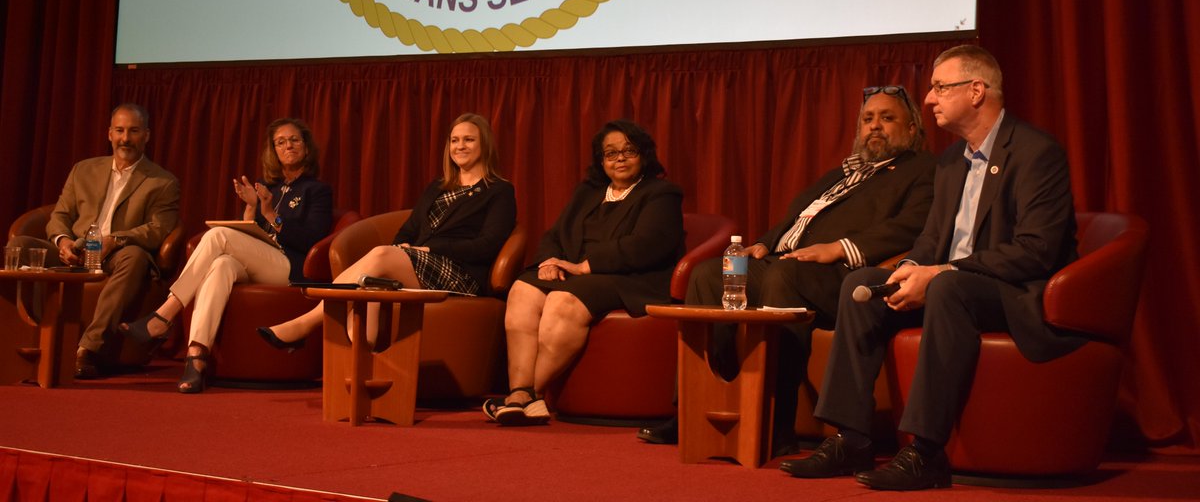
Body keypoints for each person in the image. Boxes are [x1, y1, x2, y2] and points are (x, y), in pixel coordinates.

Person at [781, 45, 1079, 491]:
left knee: (948, 288)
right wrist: (912, 266)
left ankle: (925, 451)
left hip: (1009, 292)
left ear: (976, 91)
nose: (929, 99)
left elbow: (1035, 251)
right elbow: (930, 241)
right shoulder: (950, 161)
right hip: (950, 284)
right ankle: (851, 437)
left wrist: (940, 273)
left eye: (941, 87)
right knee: (864, 283)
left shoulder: (1036, 153)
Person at [639, 85, 936, 451]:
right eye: (868, 119)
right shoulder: (840, 175)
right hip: (789, 261)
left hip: (843, 276)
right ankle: (697, 407)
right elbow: (797, 220)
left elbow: (914, 224)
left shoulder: (922, 169)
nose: (874, 126)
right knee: (709, 274)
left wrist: (838, 248)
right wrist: (765, 243)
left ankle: (777, 421)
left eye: (887, 118)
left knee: (784, 275)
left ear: (911, 130)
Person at [258, 113, 516, 350]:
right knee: (369, 289)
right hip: (421, 264)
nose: (460, 146)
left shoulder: (498, 191)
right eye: (454, 140)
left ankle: (307, 323)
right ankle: (364, 360)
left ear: (485, 145)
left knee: (381, 256)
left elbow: (488, 245)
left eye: (469, 140)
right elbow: (408, 230)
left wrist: (429, 249)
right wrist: (404, 246)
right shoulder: (437, 188)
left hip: (462, 274)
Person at [485, 119, 685, 426]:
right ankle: (522, 394)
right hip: (579, 275)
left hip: (632, 278)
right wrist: (549, 261)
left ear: (644, 155)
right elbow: (556, 233)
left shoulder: (661, 193)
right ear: (601, 161)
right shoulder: (588, 193)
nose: (619, 158)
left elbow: (648, 245)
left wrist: (585, 266)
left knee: (562, 301)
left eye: (628, 151)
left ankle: (525, 395)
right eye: (610, 153)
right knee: (522, 289)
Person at [121, 117, 333, 393]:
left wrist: (271, 214)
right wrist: (250, 209)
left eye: (294, 140)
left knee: (217, 236)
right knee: (222, 264)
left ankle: (164, 315)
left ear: (306, 147)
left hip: (291, 267)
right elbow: (251, 235)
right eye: (280, 142)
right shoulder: (268, 187)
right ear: (274, 151)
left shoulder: (317, 191)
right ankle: (196, 357)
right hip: (262, 260)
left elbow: (312, 240)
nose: (288, 145)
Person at [8, 103, 180, 379]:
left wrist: (115, 239)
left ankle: (87, 348)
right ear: (109, 134)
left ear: (146, 135)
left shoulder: (162, 182)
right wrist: (63, 241)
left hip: (117, 254)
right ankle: (28, 338)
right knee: (20, 246)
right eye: (120, 131)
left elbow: (158, 229)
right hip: (75, 249)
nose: (125, 138)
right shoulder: (83, 170)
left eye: (133, 131)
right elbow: (60, 214)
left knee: (135, 256)